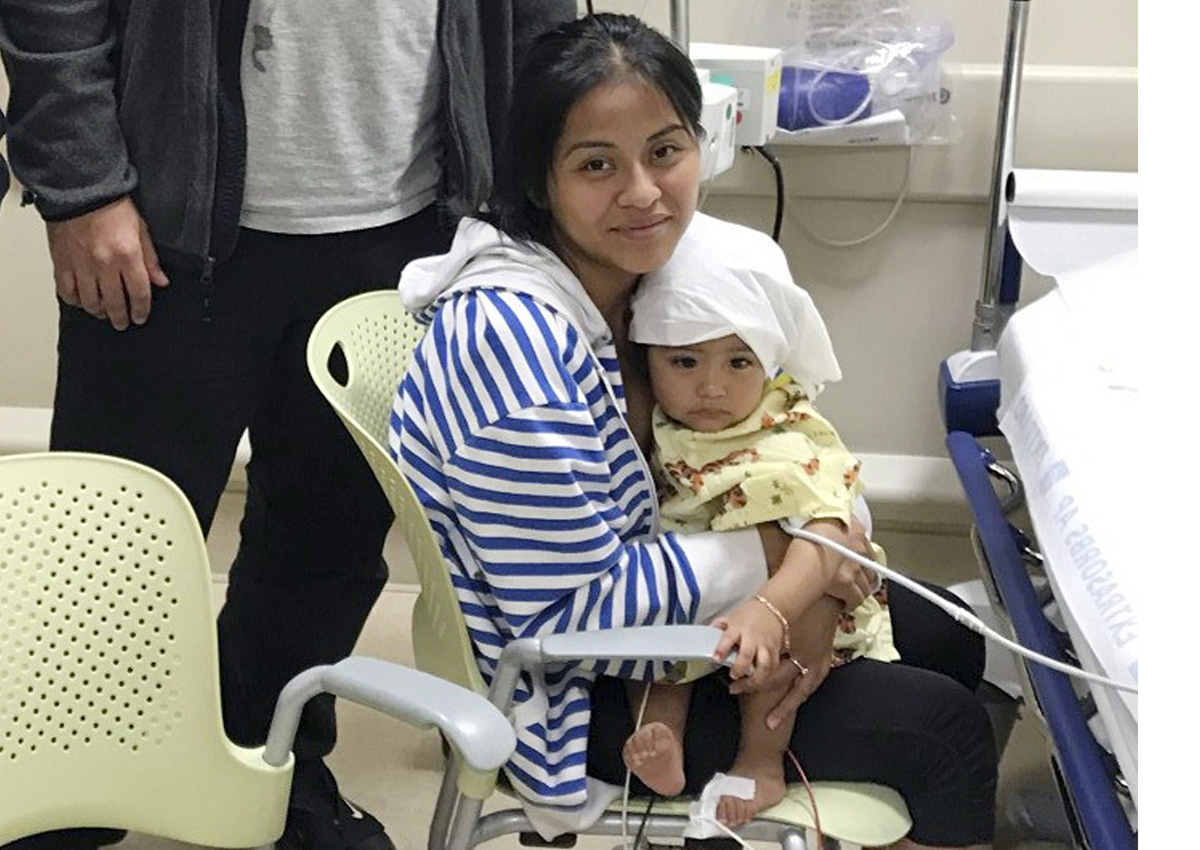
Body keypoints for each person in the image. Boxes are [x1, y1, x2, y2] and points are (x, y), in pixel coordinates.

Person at [390, 13, 996, 849]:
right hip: (581, 693)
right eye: (597, 164)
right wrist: (794, 559)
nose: (642, 191)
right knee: (944, 731)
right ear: (538, 180)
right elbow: (571, 614)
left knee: (945, 635)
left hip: (662, 620)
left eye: (666, 152)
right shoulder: (511, 349)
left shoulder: (634, 279)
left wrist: (817, 550)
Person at [0, 2, 573, 849]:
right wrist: (80, 185)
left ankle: (274, 766)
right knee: (104, 554)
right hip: (163, 218)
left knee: (326, 547)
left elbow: (534, 20)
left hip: (408, 222)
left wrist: (525, 201)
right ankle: (65, 789)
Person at [620, 219, 900, 825]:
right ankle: (658, 740)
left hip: (784, 601)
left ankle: (761, 762)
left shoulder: (781, 429)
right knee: (653, 659)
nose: (711, 387)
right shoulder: (658, 426)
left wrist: (769, 609)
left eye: (739, 362)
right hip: (693, 595)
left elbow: (826, 533)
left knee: (787, 647)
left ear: (771, 365)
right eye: (685, 361)